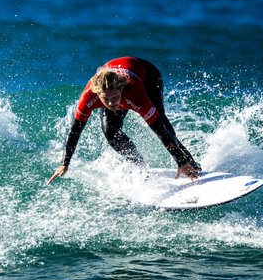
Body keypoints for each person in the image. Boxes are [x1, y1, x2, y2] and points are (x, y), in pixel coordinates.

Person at [47, 56, 201, 185]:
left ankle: (189, 164)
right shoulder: (89, 97)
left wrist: (180, 160)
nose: (111, 103)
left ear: (121, 90)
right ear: (97, 94)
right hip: (113, 81)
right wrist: (65, 163)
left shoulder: (135, 94)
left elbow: (160, 131)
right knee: (110, 133)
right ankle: (140, 167)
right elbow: (75, 132)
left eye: (114, 98)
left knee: (162, 123)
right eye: (105, 99)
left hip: (148, 76)